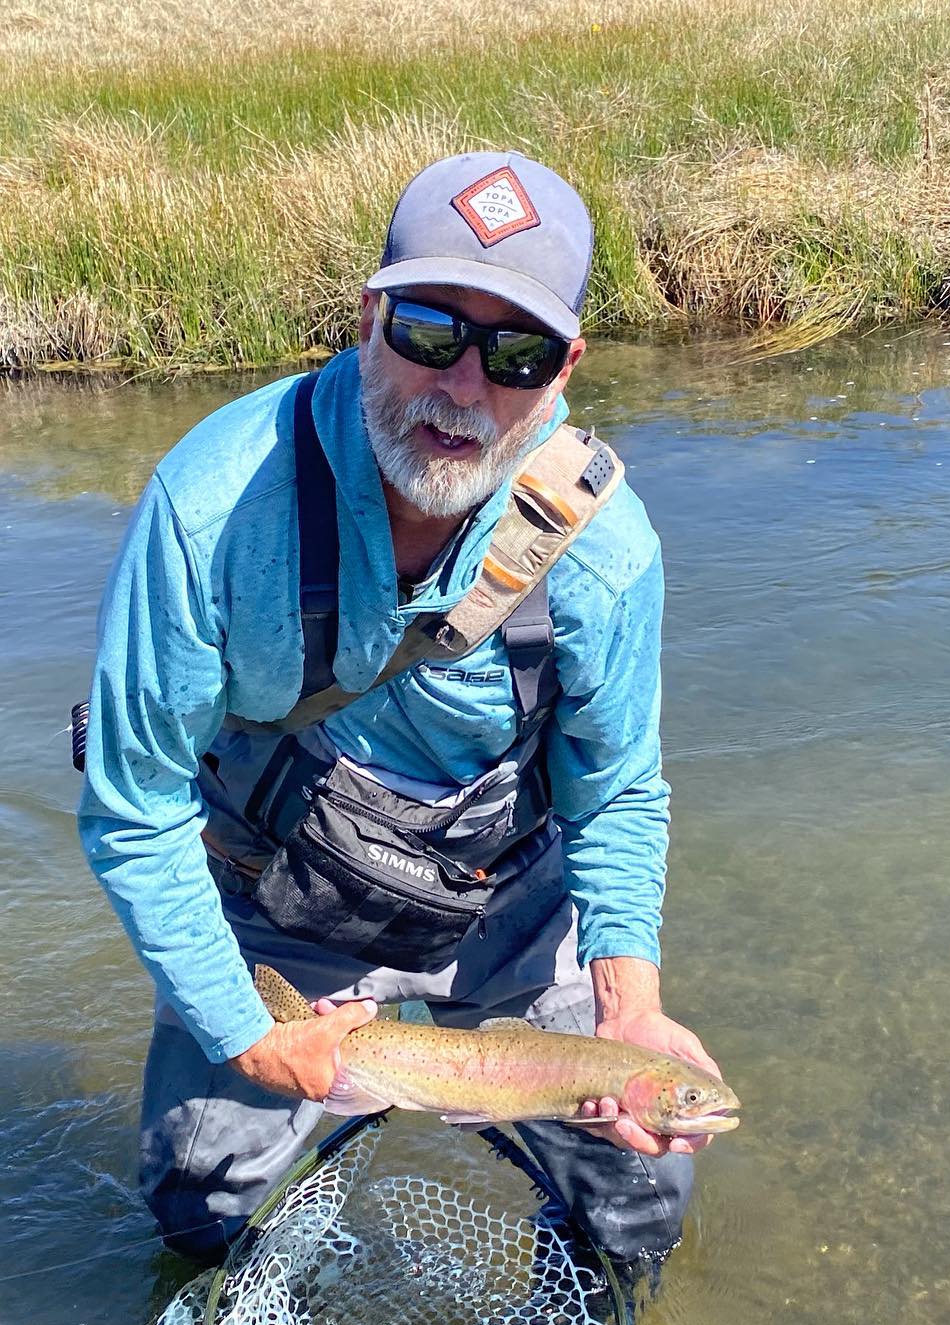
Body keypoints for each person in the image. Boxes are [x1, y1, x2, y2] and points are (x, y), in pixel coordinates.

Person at [77, 150, 720, 1266]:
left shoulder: (607, 552)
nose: (462, 390)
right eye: (431, 332)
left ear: (565, 368)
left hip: (505, 913)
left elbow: (616, 792)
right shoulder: (213, 509)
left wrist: (630, 1007)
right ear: (371, 316)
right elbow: (136, 809)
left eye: (514, 355)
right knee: (200, 1211)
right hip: (276, 894)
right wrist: (249, 1033)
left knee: (639, 1199)